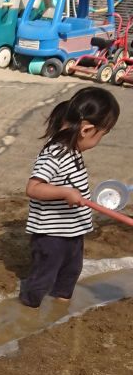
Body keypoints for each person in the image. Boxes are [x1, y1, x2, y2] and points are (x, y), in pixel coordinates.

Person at [19, 86, 120, 308]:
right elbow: (33, 188)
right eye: (102, 134)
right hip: (51, 234)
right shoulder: (55, 153)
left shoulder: (73, 148)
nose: (100, 140)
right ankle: (28, 306)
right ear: (87, 130)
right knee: (44, 275)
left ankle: (61, 305)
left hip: (72, 230)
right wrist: (65, 192)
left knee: (72, 270)